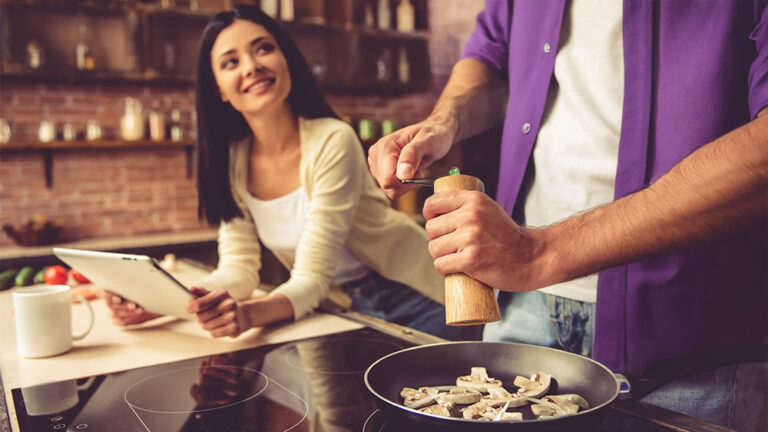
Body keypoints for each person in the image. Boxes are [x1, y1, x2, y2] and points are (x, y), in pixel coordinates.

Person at [367, 1, 767, 430]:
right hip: (523, 313)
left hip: (688, 328)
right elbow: (491, 57)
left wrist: (538, 252)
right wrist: (444, 122)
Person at [106, 5, 476, 342]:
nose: (251, 66)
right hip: (339, 308)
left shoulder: (333, 139)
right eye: (231, 62)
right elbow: (238, 268)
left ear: (286, 59)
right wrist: (159, 303)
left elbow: (311, 274)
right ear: (217, 88)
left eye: (263, 48)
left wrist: (247, 314)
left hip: (417, 296)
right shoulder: (233, 159)